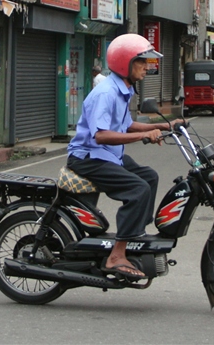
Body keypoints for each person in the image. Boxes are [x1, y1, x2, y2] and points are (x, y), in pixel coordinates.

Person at [67, 33, 182, 280]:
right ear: (125, 63)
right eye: (141, 62)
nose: (146, 67)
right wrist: (144, 136)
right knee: (138, 189)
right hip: (89, 156)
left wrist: (164, 126)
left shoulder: (124, 89)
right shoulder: (106, 93)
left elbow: (126, 125)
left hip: (109, 155)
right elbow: (102, 135)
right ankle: (116, 255)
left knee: (149, 177)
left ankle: (134, 234)